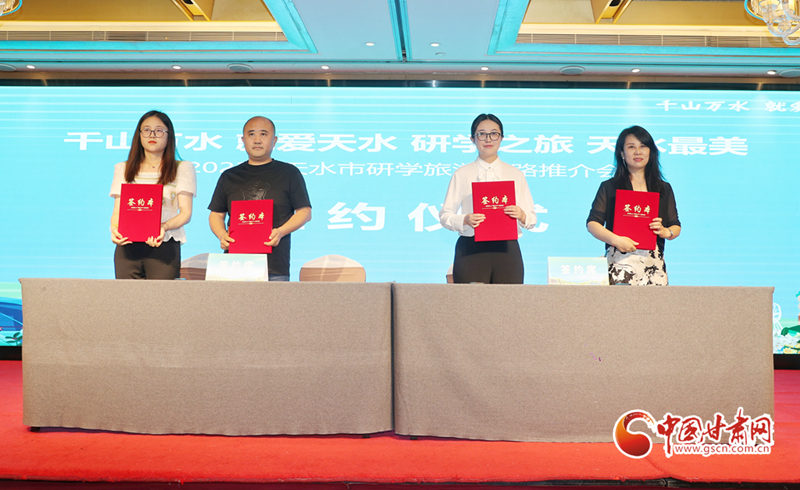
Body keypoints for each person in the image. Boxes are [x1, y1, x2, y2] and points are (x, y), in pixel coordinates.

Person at [208, 116, 312, 281]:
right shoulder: (229, 176)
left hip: (274, 266)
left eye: (263, 134)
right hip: (235, 263)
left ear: (274, 140)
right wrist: (222, 235)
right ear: (243, 140)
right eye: (251, 134)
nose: (257, 140)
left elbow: (305, 212)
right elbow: (216, 214)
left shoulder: (289, 173)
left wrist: (280, 232)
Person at [439, 113, 537, 284]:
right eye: (482, 134)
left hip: (507, 249)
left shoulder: (515, 174)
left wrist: (521, 215)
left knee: (508, 300)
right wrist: (465, 219)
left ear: (502, 138)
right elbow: (445, 215)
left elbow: (531, 219)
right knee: (470, 300)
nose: (488, 139)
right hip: (470, 249)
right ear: (472, 139)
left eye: (494, 134)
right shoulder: (462, 174)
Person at [586, 125, 681, 285]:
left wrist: (666, 231)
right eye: (631, 147)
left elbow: (675, 225)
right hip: (619, 263)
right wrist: (615, 239)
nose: (638, 152)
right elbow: (593, 224)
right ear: (622, 153)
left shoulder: (663, 188)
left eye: (643, 146)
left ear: (651, 152)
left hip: (653, 267)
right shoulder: (609, 187)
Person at [110, 110, 196, 279]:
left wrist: (163, 227)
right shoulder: (123, 168)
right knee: (126, 295)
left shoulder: (182, 168)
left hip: (164, 243)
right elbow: (117, 212)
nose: (152, 135)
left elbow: (186, 213)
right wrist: (114, 229)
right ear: (139, 134)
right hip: (127, 244)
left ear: (169, 136)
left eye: (159, 130)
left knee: (160, 295)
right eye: (147, 130)